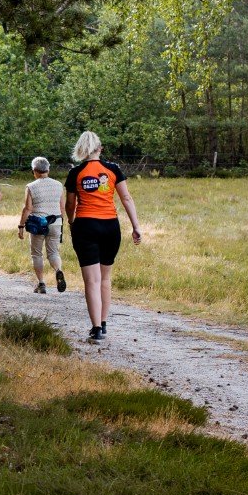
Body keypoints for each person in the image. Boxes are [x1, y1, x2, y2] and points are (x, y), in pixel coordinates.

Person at [65, 131, 141, 342]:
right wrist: (136, 226)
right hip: (110, 227)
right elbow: (126, 197)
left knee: (92, 280)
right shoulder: (113, 169)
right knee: (105, 278)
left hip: (85, 226)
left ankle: (96, 328)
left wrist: (71, 221)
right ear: (100, 148)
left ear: (81, 149)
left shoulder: (76, 173)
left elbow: (70, 204)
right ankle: (104, 322)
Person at [19, 156, 67, 294]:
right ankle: (58, 270)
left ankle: (41, 284)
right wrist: (60, 222)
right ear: (48, 169)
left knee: (37, 254)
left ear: (34, 171)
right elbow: (62, 207)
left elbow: (27, 208)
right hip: (56, 222)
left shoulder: (31, 186)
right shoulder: (58, 185)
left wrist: (21, 226)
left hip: (38, 224)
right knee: (53, 252)